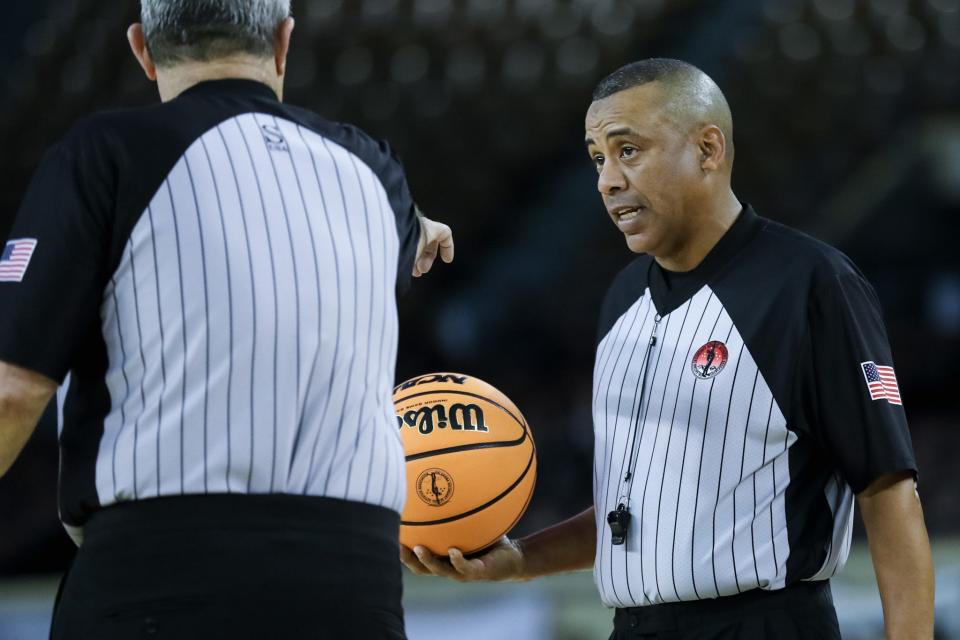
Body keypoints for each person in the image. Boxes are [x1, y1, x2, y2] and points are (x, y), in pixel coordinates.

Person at [402, 59, 934, 639]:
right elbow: (633, 515)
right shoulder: (623, 297)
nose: (607, 179)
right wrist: (520, 560)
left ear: (709, 149)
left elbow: (888, 494)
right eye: (597, 158)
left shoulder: (812, 284)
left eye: (628, 150)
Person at [0, 1, 453, 638]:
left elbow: (12, 392)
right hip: (355, 586)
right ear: (284, 41)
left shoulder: (103, 154)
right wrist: (420, 224)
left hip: (158, 579)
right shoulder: (376, 172)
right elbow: (391, 227)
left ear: (142, 49)